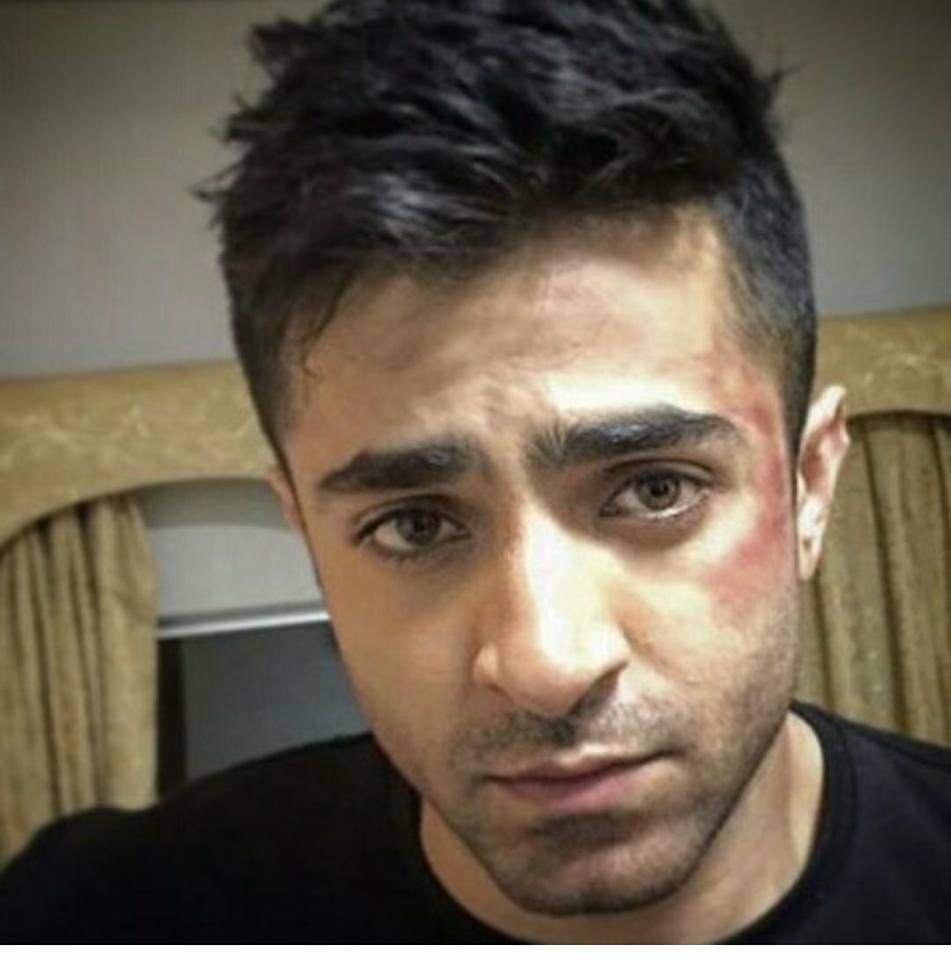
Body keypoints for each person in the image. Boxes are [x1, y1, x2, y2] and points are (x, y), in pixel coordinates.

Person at [2, 0, 950, 944]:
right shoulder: (99, 914)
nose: (546, 666)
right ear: (307, 538)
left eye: (655, 489)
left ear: (809, 484)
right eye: (414, 524)